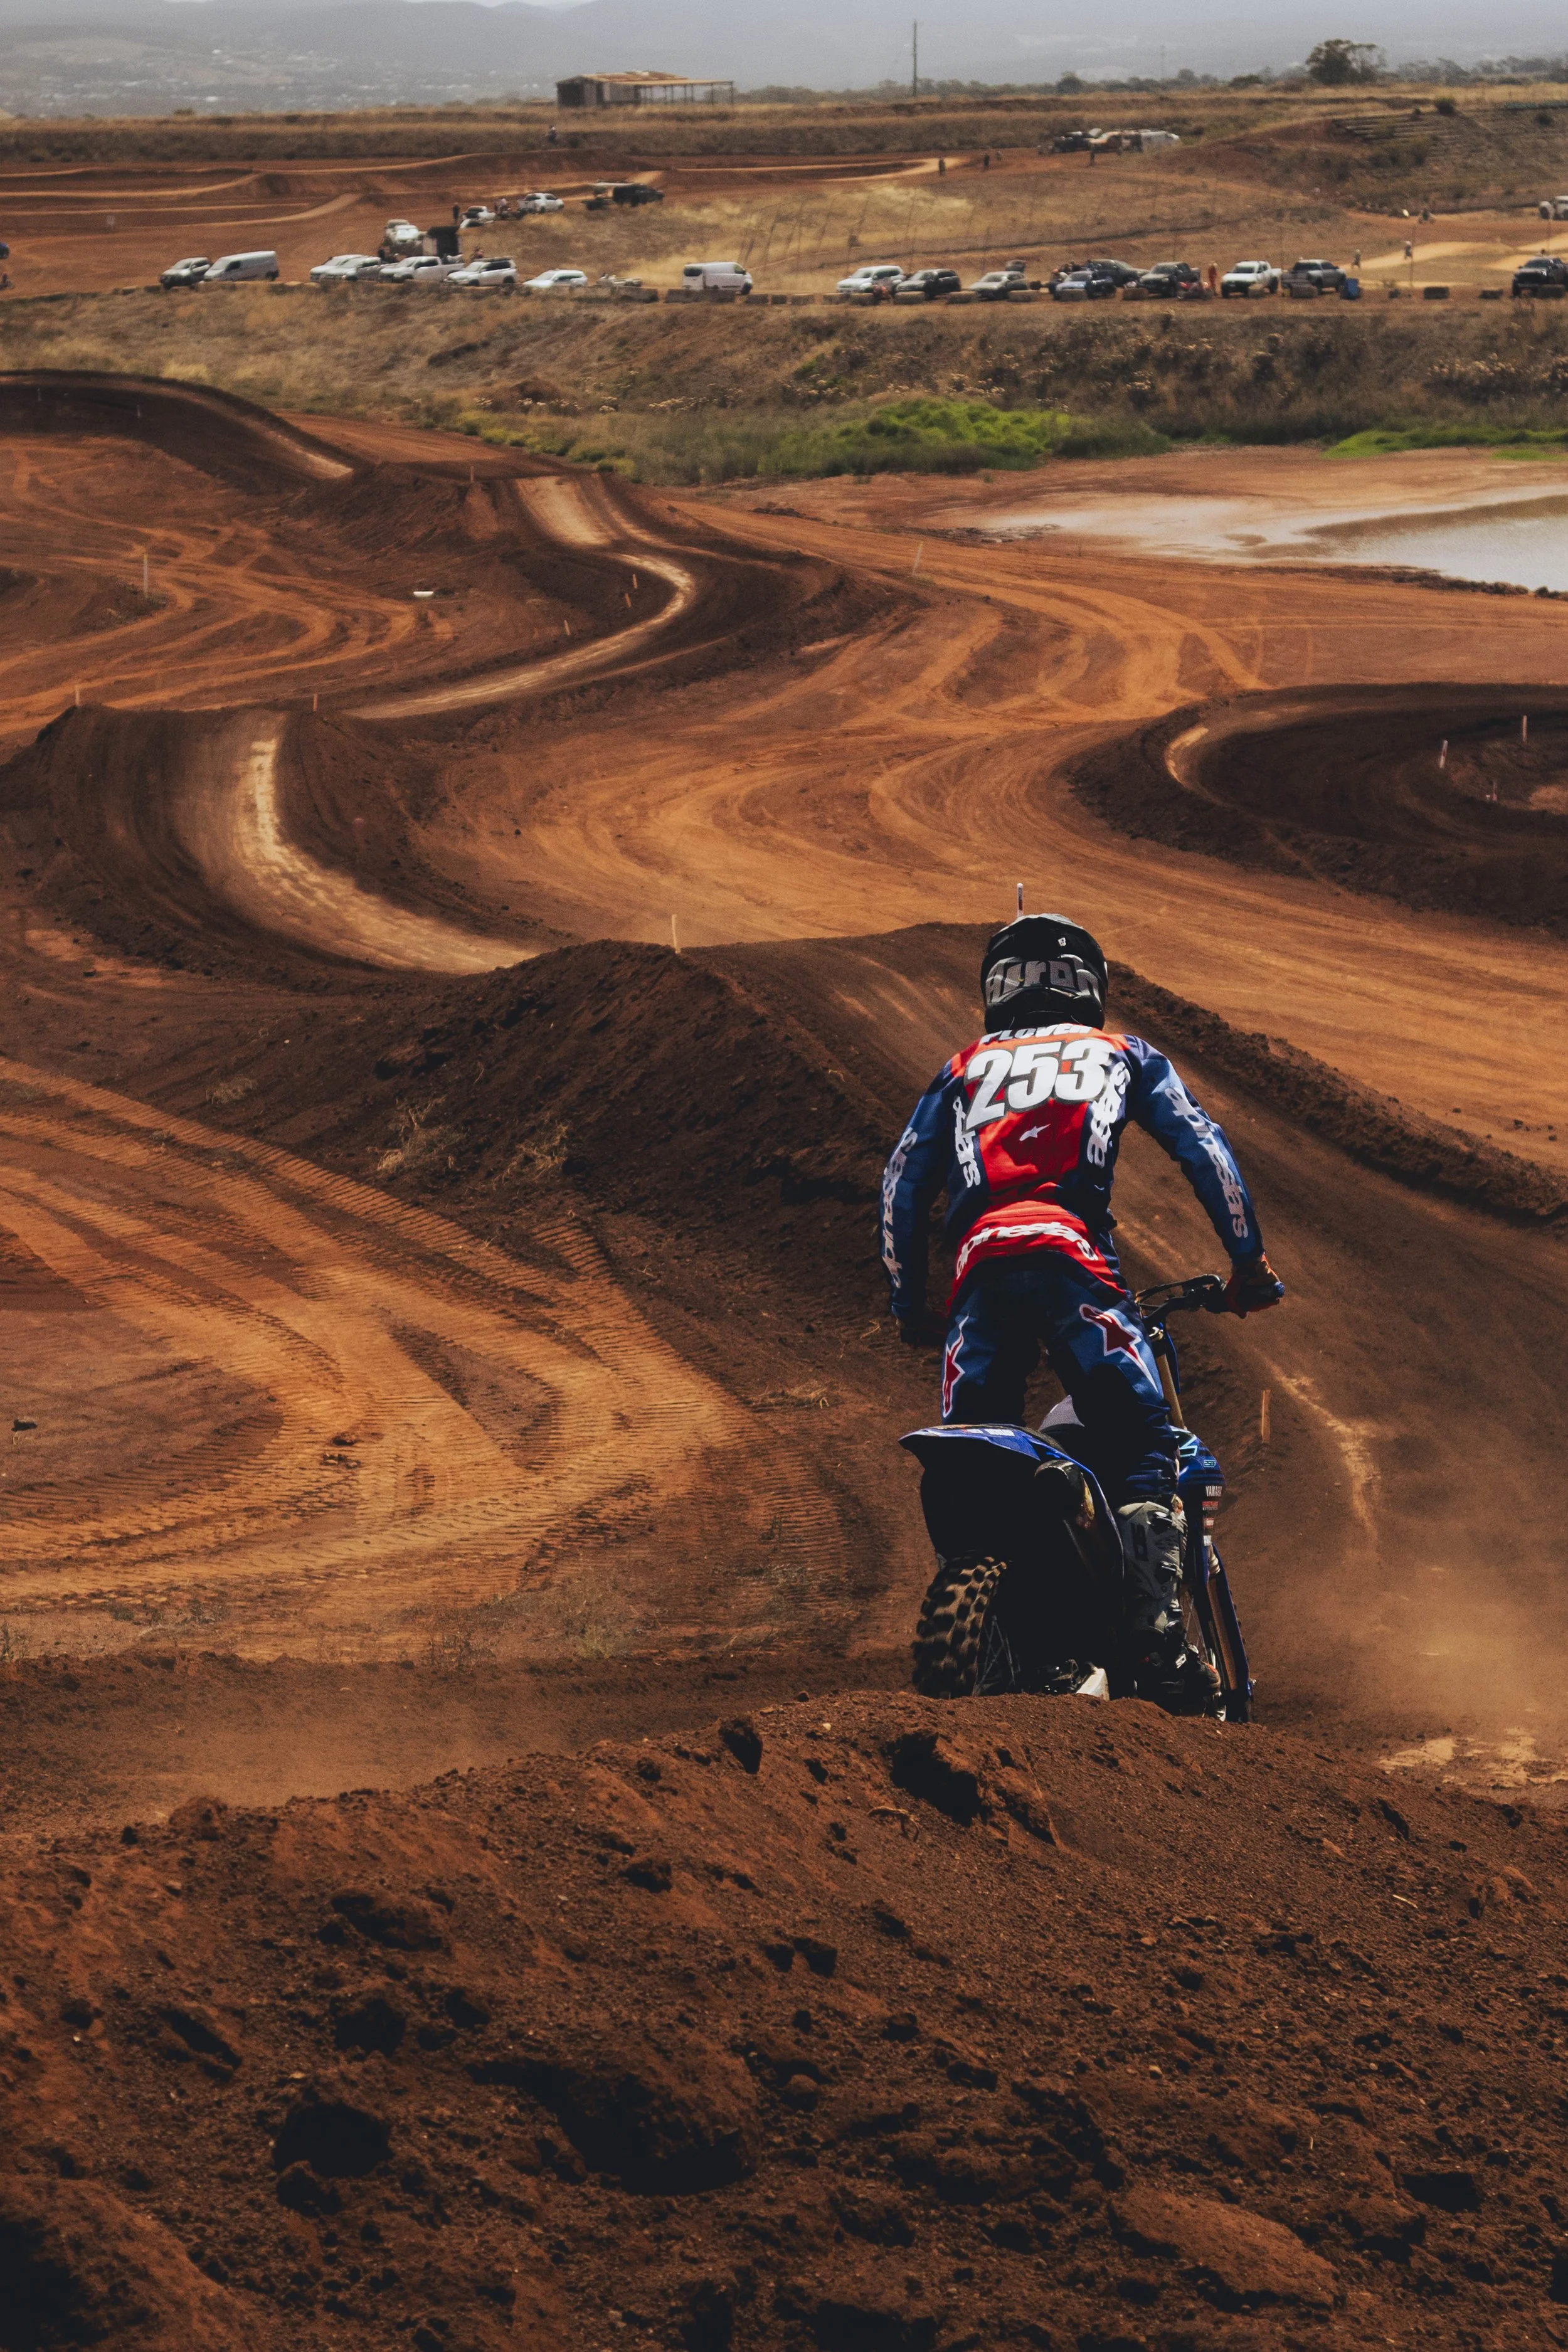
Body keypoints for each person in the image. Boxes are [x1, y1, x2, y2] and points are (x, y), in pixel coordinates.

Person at [881, 913, 1283, 1713]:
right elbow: (1201, 1144)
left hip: (978, 1275)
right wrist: (1248, 1263)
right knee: (1142, 1440)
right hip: (1073, 1263)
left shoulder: (964, 1067)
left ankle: (1018, 1634)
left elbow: (900, 1181)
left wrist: (908, 1304)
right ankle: (1157, 1638)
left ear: (997, 987)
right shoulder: (1123, 1053)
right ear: (1088, 984)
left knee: (969, 1458)